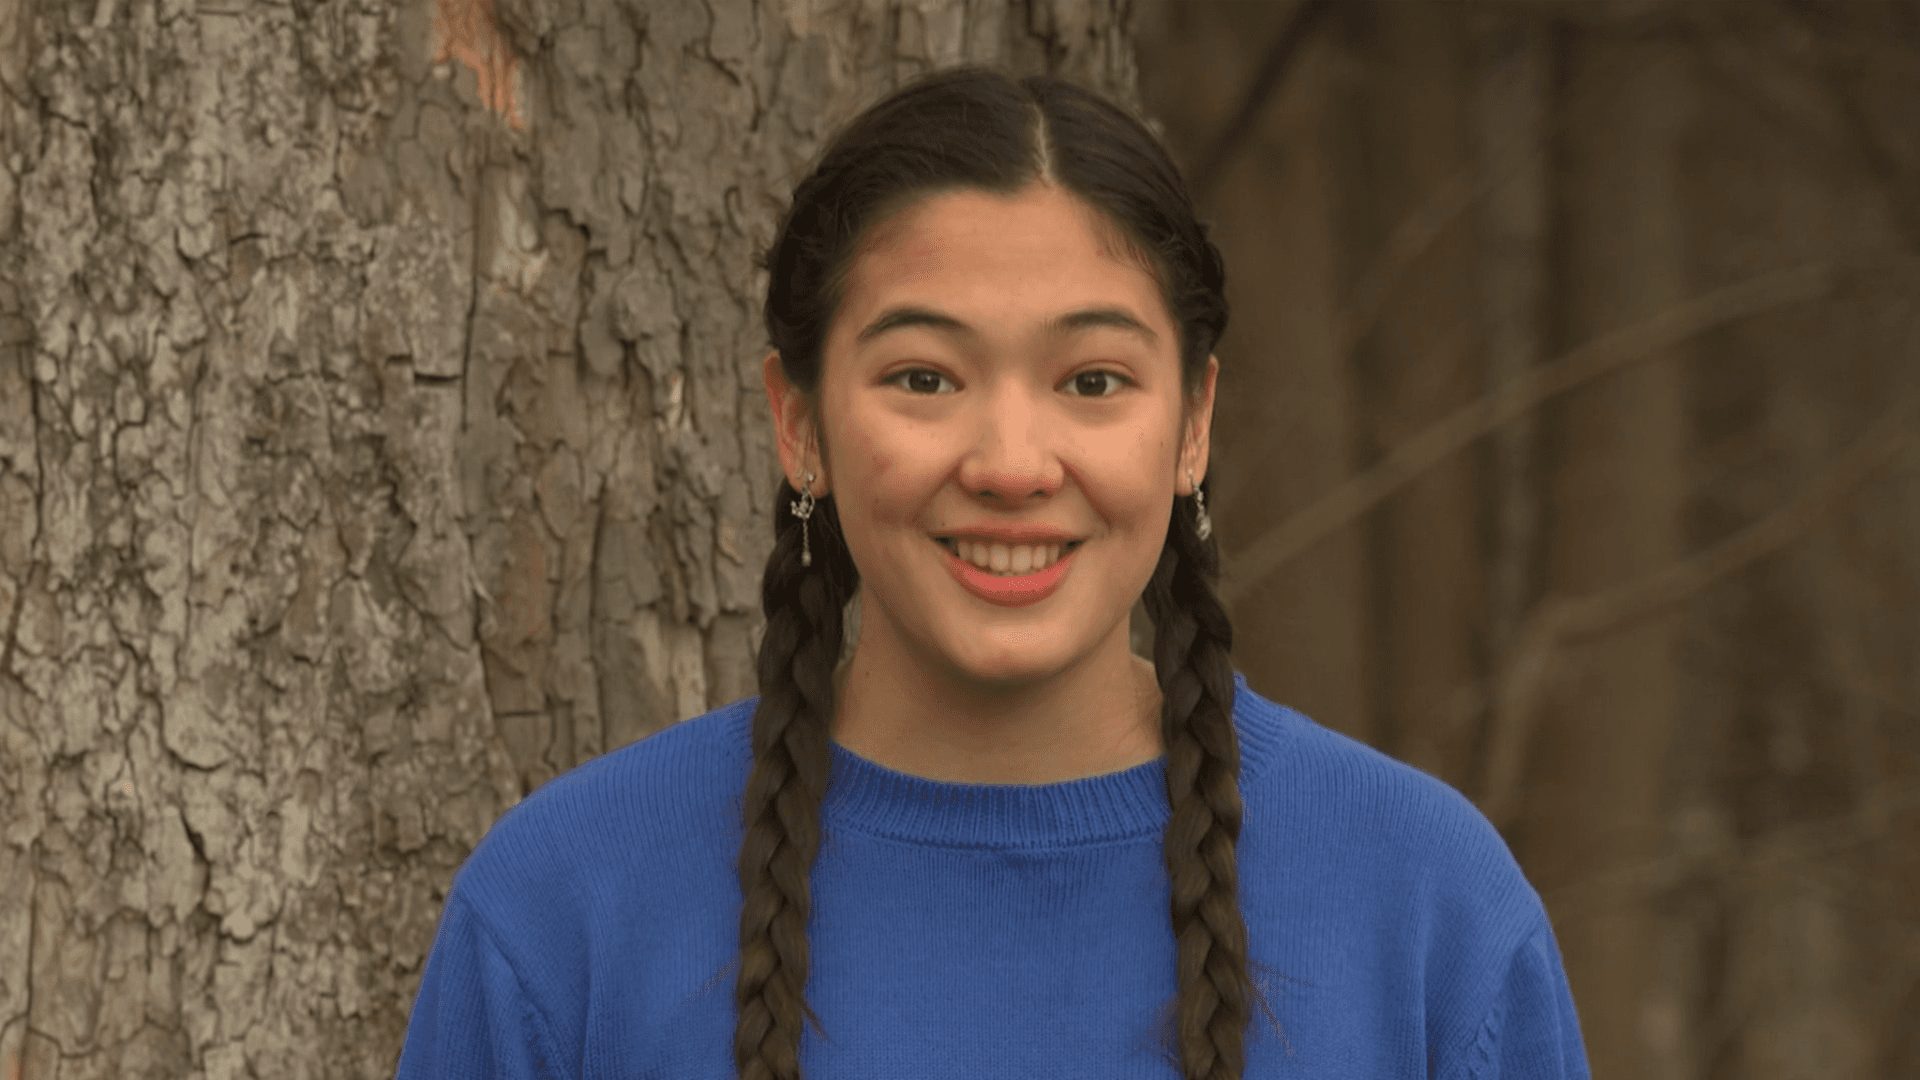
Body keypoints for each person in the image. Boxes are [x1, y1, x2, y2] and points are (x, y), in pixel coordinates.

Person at [394, 64, 1592, 1080]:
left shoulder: (1427, 909)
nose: (1013, 465)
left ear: (1193, 424)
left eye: (1093, 381)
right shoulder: (565, 910)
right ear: (798, 421)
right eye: (924, 378)